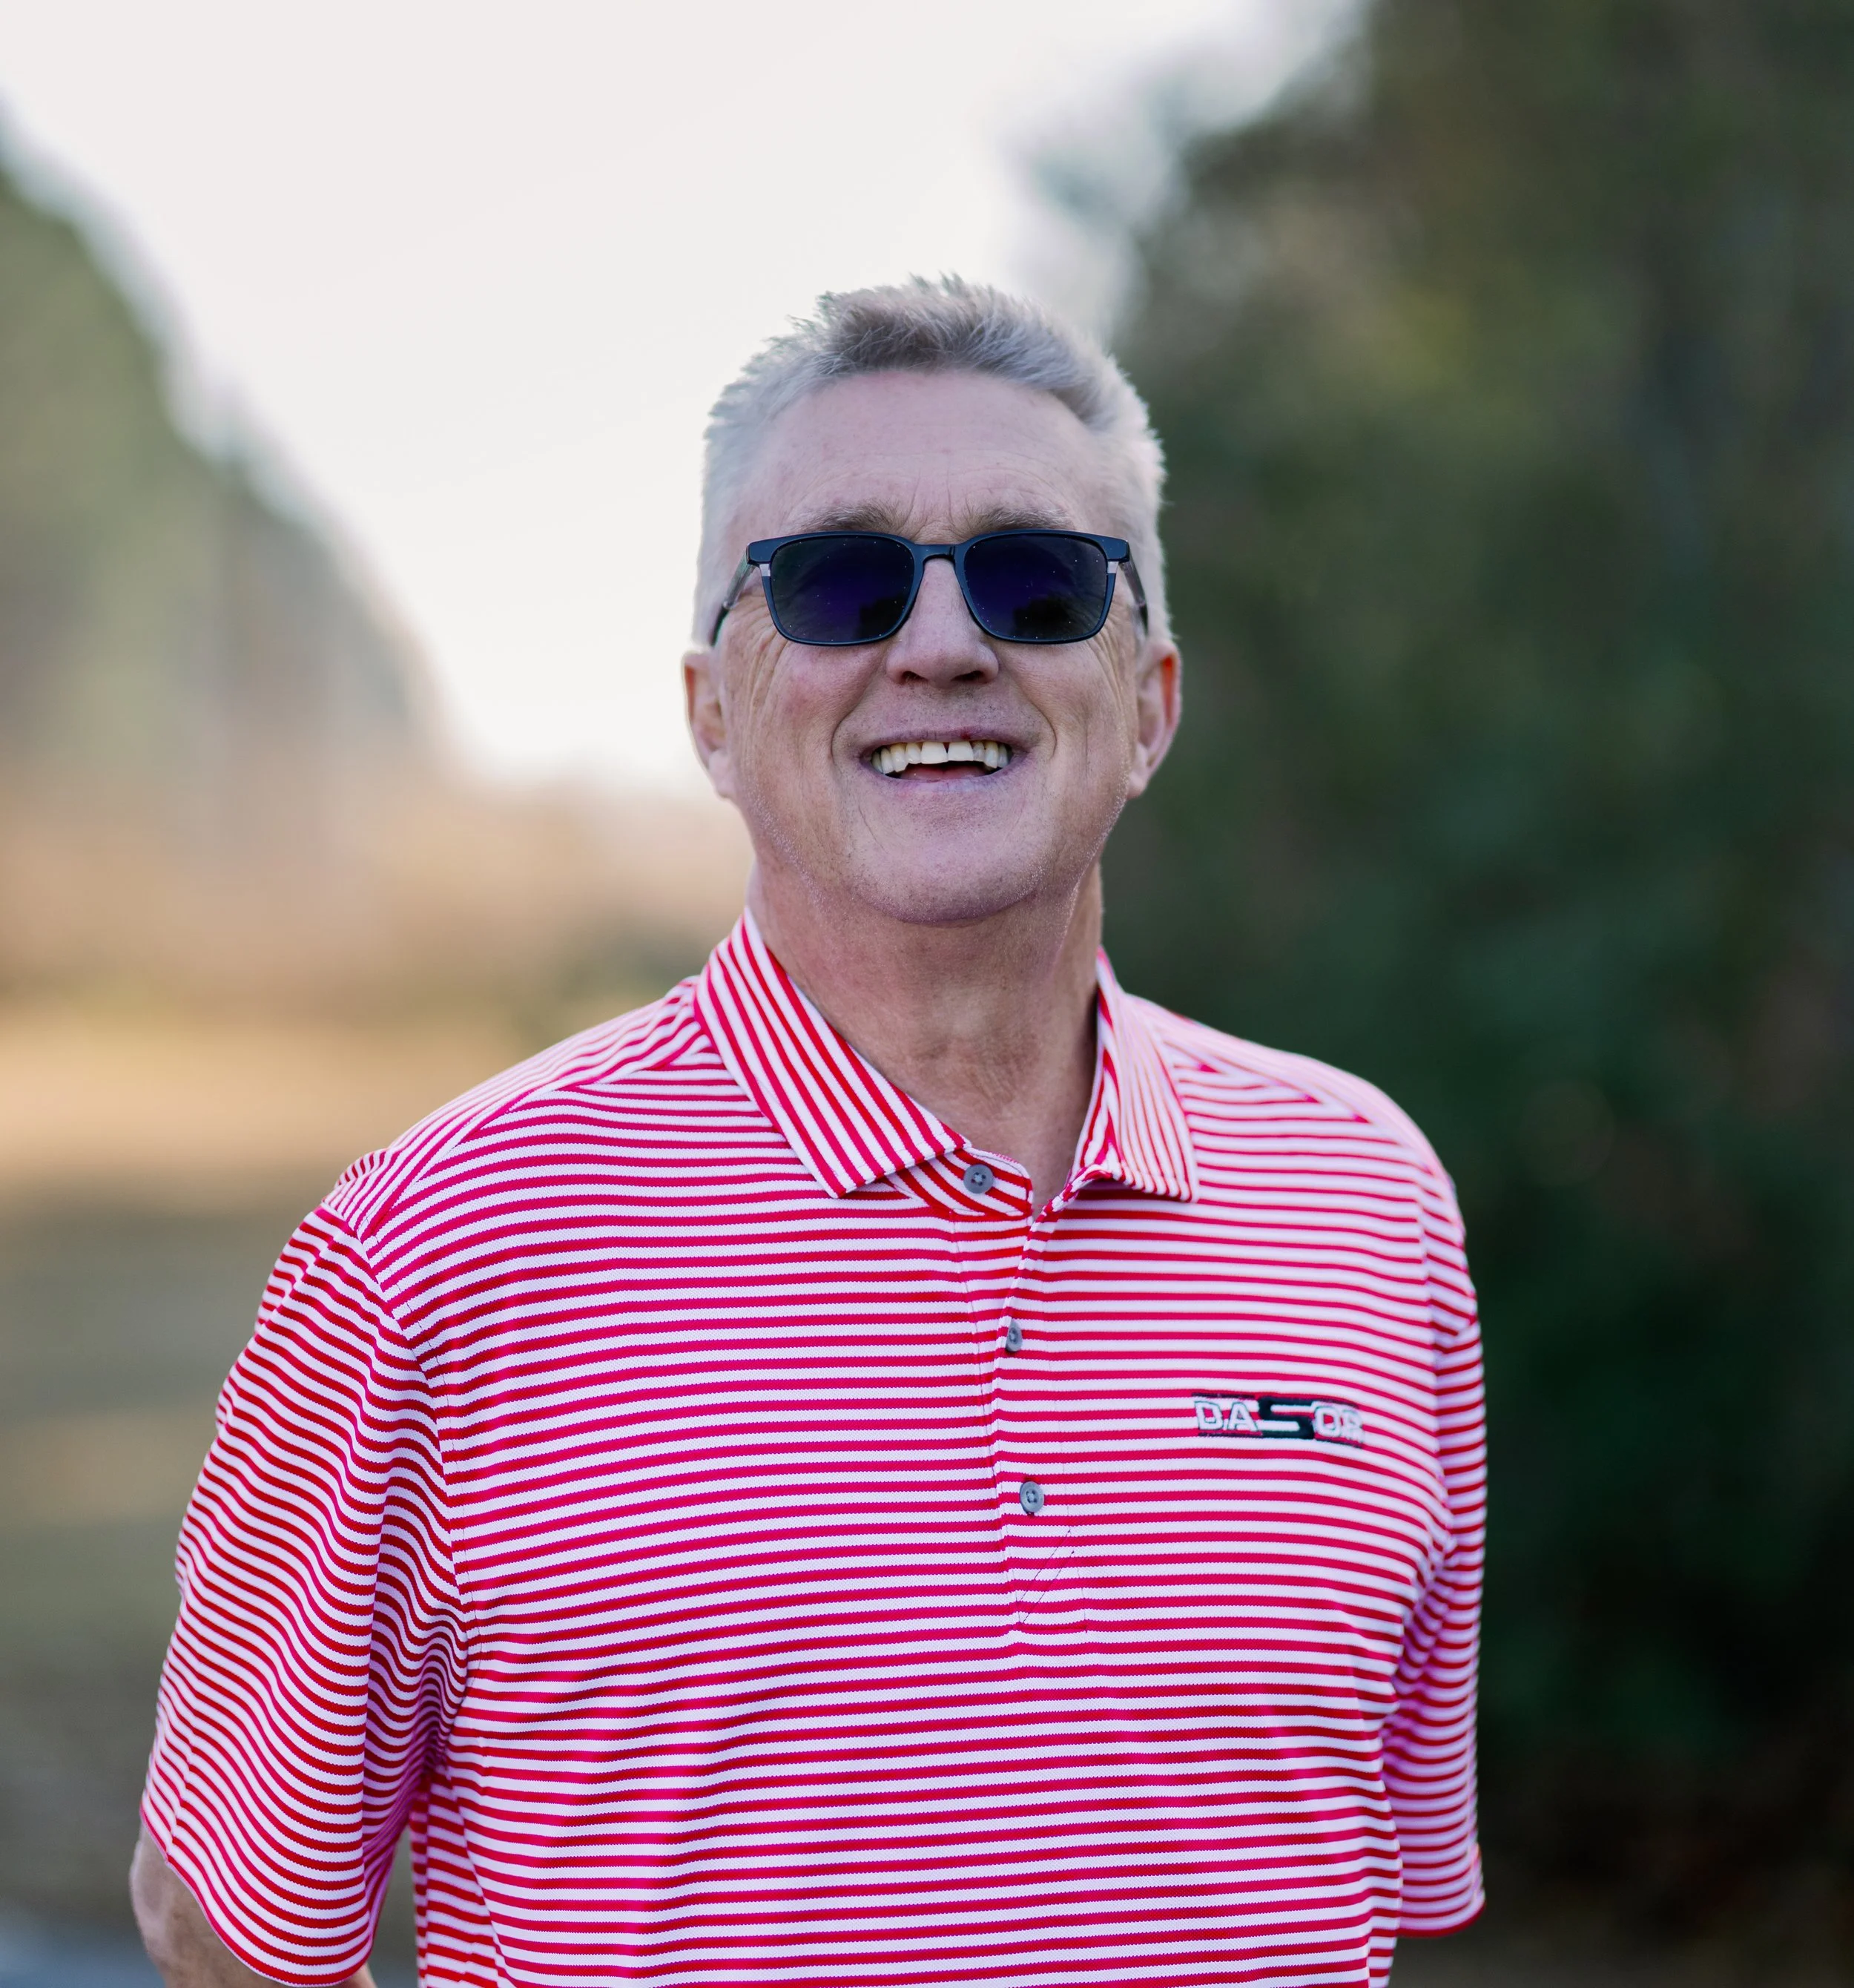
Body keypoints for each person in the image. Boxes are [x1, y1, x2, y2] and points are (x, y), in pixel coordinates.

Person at [131, 277, 1485, 1988]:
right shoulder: (432, 1244)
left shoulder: (1365, 1195)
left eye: (1037, 579)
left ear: (1145, 702)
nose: (939, 643)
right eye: (838, 580)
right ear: (711, 709)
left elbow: (1374, 1885)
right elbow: (229, 1920)